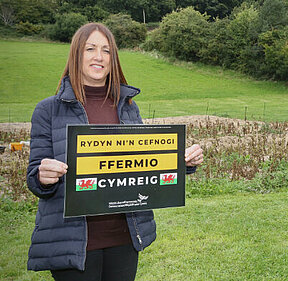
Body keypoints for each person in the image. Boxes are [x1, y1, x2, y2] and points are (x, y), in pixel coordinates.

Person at [26, 23, 204, 281]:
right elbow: (34, 178)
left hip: (124, 237)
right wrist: (43, 176)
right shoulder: (48, 110)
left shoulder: (128, 106)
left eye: (106, 51)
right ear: (77, 54)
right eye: (91, 49)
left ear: (113, 60)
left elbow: (143, 163)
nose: (99, 56)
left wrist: (183, 162)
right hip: (74, 243)